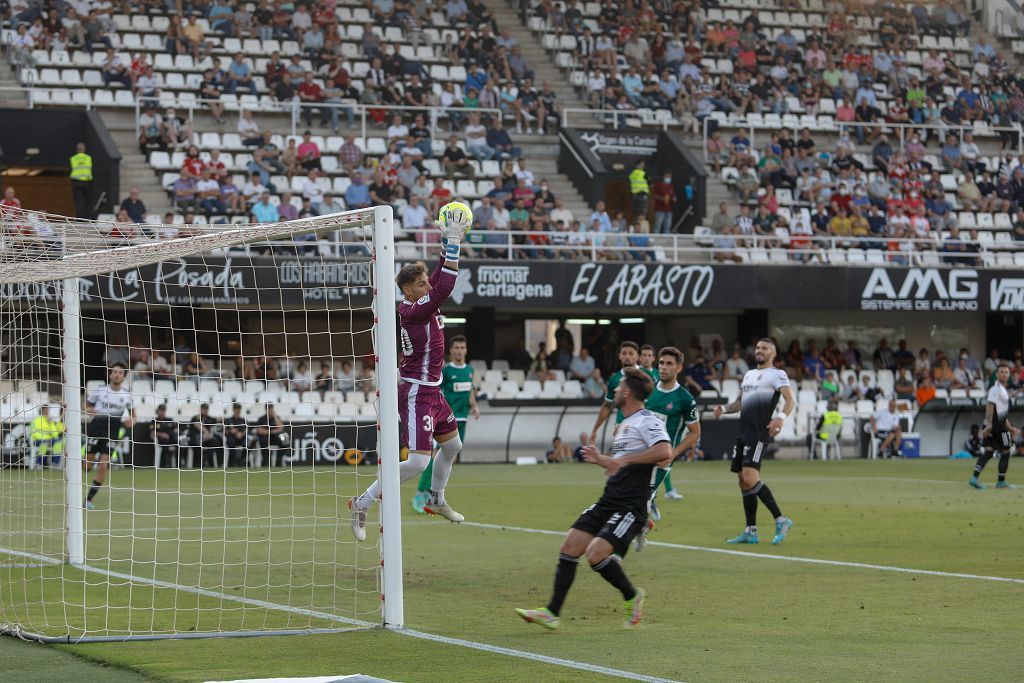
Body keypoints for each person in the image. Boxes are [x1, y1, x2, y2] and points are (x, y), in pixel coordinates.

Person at [350, 204, 472, 539]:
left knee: (452, 447)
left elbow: (437, 280)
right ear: (408, 291)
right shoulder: (412, 309)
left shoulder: (422, 299)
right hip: (417, 391)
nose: (427, 287)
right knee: (418, 461)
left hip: (434, 389)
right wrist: (454, 241)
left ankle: (436, 498)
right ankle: (362, 502)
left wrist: (444, 243)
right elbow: (444, 287)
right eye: (421, 284)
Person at [514, 368, 668, 630]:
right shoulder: (624, 424)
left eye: (619, 388)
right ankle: (551, 612)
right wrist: (601, 460)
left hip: (630, 506)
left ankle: (632, 595)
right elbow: (619, 465)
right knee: (570, 547)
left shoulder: (648, 421)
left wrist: (624, 459)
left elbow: (665, 451)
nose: (616, 391)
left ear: (628, 393)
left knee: (596, 554)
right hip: (609, 499)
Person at [712, 338, 796, 545]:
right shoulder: (749, 375)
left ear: (773, 354)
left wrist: (780, 418)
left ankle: (781, 519)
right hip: (743, 432)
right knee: (742, 480)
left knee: (750, 477)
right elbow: (739, 403)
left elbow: (790, 400)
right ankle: (751, 531)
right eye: (758, 348)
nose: (760, 351)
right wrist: (723, 409)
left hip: (759, 432)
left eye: (765, 348)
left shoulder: (777, 374)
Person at [634, 347, 701, 550]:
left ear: (679, 368)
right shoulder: (649, 390)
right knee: (633, 499)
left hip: (661, 459)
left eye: (669, 364)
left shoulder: (685, 399)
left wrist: (673, 452)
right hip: (640, 454)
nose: (663, 367)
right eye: (661, 363)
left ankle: (617, 553)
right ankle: (644, 524)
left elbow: (695, 432)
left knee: (641, 498)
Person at [412, 335, 480, 514]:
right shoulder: (446, 371)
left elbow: (470, 389)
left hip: (462, 419)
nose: (460, 350)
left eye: (462, 347)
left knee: (449, 457)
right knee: (433, 456)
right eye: (456, 347)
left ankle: (433, 495)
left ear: (466, 350)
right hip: (443, 420)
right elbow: (436, 391)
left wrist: (474, 406)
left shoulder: (470, 370)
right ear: (451, 350)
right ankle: (420, 494)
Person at [84, 363, 136, 509]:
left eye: (120, 372)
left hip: (112, 432)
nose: (117, 374)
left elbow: (134, 416)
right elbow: (86, 405)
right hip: (96, 429)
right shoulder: (100, 390)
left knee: (103, 466)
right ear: (110, 374)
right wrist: (89, 409)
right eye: (115, 372)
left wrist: (130, 422)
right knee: (87, 466)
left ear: (124, 376)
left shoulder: (127, 395)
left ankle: (88, 499)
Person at [969, 364, 1019, 489]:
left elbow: (1001, 412)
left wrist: (1010, 428)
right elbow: (990, 407)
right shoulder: (996, 389)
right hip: (997, 426)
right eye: (1001, 372)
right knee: (1006, 451)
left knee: (989, 451)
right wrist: (990, 425)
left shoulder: (1001, 389)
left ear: (1009, 375)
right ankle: (1001, 482)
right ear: (996, 374)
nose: (1004, 374)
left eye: (1006, 372)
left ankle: (974, 478)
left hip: (996, 424)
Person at [589, 341, 641, 445]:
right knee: (620, 458)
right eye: (624, 353)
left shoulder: (646, 375)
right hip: (621, 425)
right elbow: (607, 406)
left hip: (642, 424)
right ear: (619, 356)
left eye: (631, 353)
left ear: (637, 357)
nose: (627, 356)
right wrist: (595, 430)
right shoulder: (614, 379)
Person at [187, 403, 223, 468]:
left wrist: (220, 419)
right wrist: (207, 433)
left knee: (217, 442)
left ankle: (206, 458)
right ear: (200, 409)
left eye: (206, 409)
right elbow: (197, 425)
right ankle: (198, 463)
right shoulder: (196, 417)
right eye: (204, 409)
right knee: (196, 444)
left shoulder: (210, 419)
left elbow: (219, 421)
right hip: (196, 439)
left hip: (207, 439)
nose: (205, 410)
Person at [147, 404, 179, 468]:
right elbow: (152, 432)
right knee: (165, 444)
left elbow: (176, 429)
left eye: (163, 410)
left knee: (179, 444)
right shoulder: (154, 421)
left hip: (171, 439)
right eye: (161, 410)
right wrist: (162, 434)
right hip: (161, 440)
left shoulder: (170, 420)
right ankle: (166, 464)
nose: (162, 412)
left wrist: (176, 431)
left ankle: (178, 464)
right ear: (158, 411)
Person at [70, 142, 94, 219]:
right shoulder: (88, 158)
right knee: (88, 201)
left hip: (76, 182)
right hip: (86, 182)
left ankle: (79, 218)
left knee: (78, 202)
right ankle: (88, 217)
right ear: (84, 149)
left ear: (77, 150)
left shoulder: (73, 158)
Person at [224, 403, 248, 467]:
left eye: (239, 409)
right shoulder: (228, 420)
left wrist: (242, 434)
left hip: (242, 438)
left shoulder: (243, 420)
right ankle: (232, 463)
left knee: (250, 441)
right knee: (231, 442)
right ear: (233, 409)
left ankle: (241, 459)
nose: (237, 410)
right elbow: (225, 432)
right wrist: (230, 431)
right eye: (236, 409)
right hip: (232, 438)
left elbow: (246, 430)